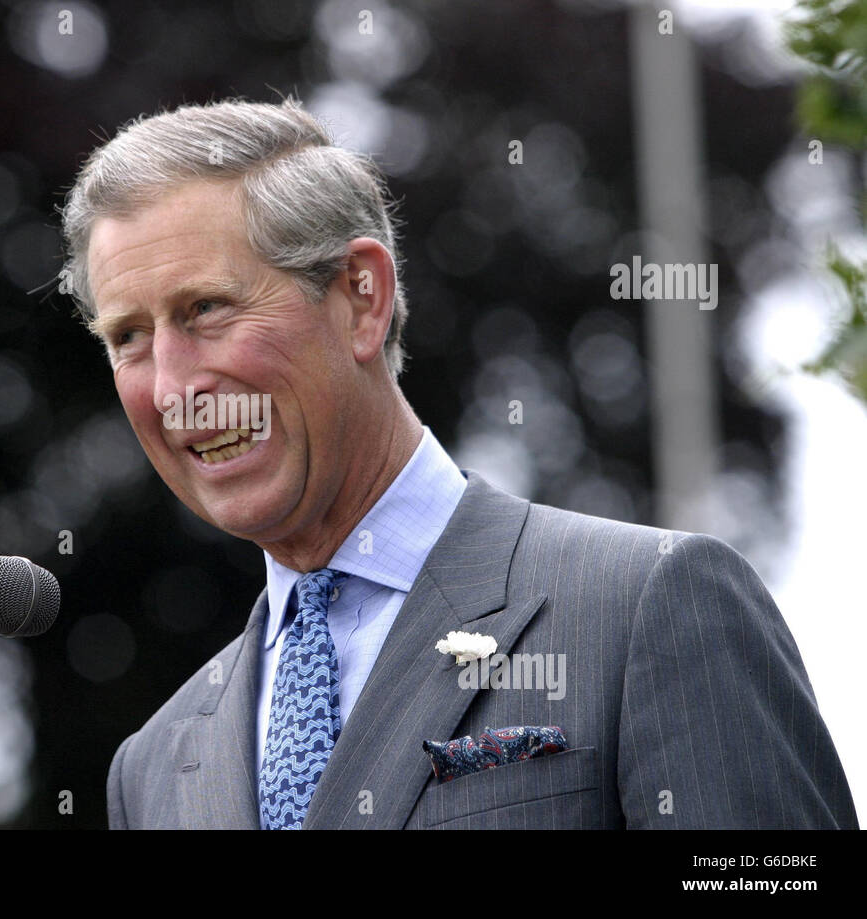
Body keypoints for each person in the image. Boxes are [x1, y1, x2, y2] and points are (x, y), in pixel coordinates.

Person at [56, 97, 858, 829]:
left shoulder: (652, 603)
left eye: (207, 308)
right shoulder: (152, 767)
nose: (173, 389)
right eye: (129, 336)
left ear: (361, 298)